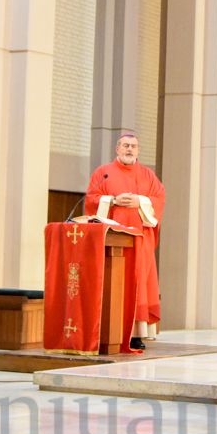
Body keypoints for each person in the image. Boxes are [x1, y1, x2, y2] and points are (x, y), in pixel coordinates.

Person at [84, 133, 165, 351]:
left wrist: (141, 201)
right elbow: (91, 199)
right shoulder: (104, 174)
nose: (130, 150)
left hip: (139, 240)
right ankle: (109, 330)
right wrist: (111, 200)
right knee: (114, 283)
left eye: (134, 146)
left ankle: (135, 334)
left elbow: (159, 199)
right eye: (126, 146)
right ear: (117, 149)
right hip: (111, 242)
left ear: (138, 151)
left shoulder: (148, 176)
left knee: (138, 283)